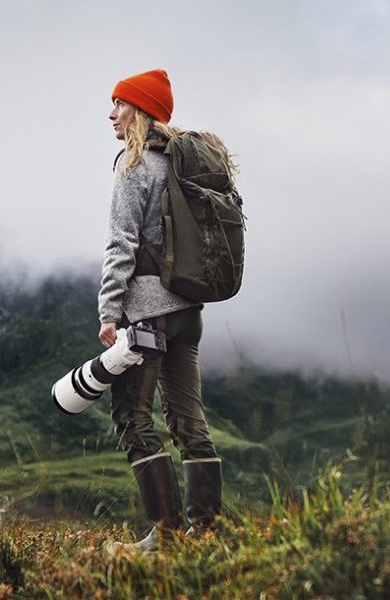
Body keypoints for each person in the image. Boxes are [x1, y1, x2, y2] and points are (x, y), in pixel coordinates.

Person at [98, 69, 234, 551]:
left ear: (141, 111)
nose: (111, 114)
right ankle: (207, 532)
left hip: (147, 314)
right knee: (189, 422)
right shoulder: (180, 164)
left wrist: (109, 312)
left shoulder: (135, 166)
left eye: (119, 104)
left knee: (134, 420)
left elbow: (122, 244)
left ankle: (168, 535)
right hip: (188, 314)